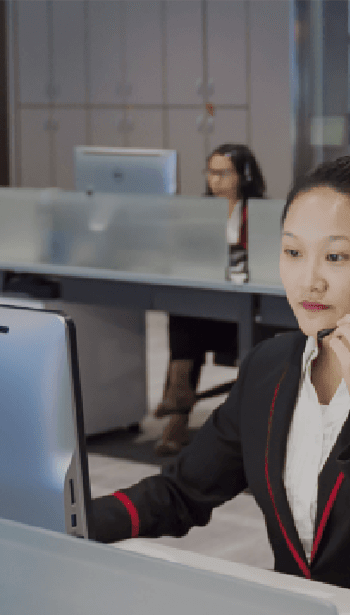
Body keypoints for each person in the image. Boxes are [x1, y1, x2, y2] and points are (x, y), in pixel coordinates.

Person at [91, 156, 350, 615]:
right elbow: (181, 493)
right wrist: (71, 520)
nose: (309, 281)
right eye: (293, 253)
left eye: (336, 257)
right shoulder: (268, 368)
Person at [154, 144, 269, 455]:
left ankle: (177, 405)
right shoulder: (202, 212)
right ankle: (179, 400)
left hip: (248, 311)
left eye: (223, 173)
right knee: (184, 313)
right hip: (212, 306)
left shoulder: (260, 211)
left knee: (188, 322)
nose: (214, 180)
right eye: (211, 172)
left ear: (245, 175)